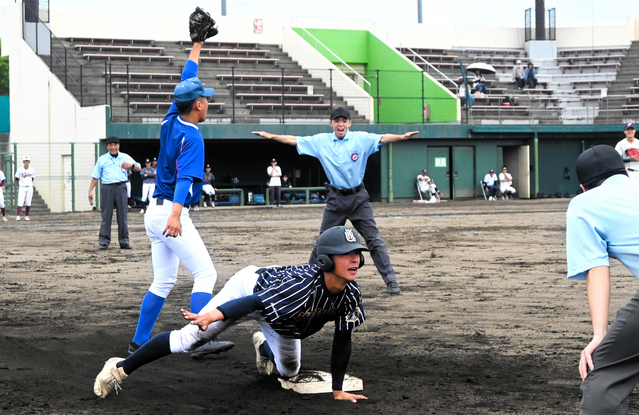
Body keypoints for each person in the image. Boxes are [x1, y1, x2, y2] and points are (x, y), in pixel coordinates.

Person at [93, 226, 368, 404]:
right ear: (326, 260)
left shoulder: (350, 294)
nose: (355, 259)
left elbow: (343, 339)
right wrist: (213, 315)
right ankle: (119, 368)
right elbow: (253, 301)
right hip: (248, 289)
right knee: (188, 339)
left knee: (289, 371)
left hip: (281, 317)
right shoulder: (300, 288)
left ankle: (263, 346)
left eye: (357, 253)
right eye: (346, 254)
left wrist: (337, 389)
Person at [128, 39, 232, 359]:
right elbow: (185, 179)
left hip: (153, 213)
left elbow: (185, 78)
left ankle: (139, 340)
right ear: (197, 105)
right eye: (205, 98)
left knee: (164, 280)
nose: (208, 101)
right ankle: (200, 337)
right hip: (170, 213)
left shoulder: (171, 117)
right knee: (206, 274)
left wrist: (197, 46)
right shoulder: (194, 136)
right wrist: (176, 215)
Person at [252, 107, 419, 294]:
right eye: (336, 121)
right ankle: (308, 281)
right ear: (331, 123)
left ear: (349, 123)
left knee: (374, 240)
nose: (340, 124)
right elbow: (294, 140)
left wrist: (402, 137)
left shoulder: (360, 139)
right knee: (322, 242)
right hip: (336, 199)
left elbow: (382, 138)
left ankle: (391, 282)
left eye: (344, 120)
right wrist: (271, 136)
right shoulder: (320, 141)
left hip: (358, 199)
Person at [566, 144, 639, 414]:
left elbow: (596, 268)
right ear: (626, 173)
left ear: (584, 188)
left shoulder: (583, 204)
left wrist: (599, 334)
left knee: (603, 375)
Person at [89, 137, 140, 249]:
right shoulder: (102, 159)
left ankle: (124, 241)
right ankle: (104, 242)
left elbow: (138, 167)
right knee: (106, 216)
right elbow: (95, 176)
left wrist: (130, 165)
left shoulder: (125, 157)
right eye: (110, 145)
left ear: (118, 146)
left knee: (122, 215)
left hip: (121, 187)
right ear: (107, 146)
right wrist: (90, 190)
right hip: (108, 188)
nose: (113, 147)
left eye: (115, 145)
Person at [15, 155, 36, 221]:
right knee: (20, 201)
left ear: (29, 162)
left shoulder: (32, 169)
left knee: (28, 202)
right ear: (23, 162)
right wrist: (19, 184)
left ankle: (26, 216)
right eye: (25, 161)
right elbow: (17, 178)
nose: (26, 162)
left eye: (27, 161)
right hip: (22, 187)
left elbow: (32, 178)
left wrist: (29, 183)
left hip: (29, 187)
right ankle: (18, 216)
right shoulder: (20, 169)